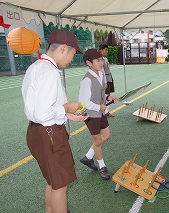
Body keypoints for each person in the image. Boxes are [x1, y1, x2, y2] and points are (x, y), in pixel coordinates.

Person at [21, 29, 88, 213]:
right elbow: (43, 113)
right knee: (60, 186)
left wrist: (65, 115)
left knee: (53, 181)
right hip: (48, 133)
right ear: (64, 48)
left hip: (38, 131)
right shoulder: (49, 72)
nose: (72, 59)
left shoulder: (35, 67)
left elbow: (39, 109)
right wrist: (67, 108)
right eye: (73, 54)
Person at [78, 48, 119, 180]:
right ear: (89, 63)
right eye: (97, 60)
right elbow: (83, 103)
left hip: (100, 112)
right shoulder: (87, 80)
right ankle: (102, 167)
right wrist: (100, 106)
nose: (101, 63)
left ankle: (88, 157)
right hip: (91, 115)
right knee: (98, 142)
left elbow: (100, 95)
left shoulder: (100, 75)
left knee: (106, 136)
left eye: (101, 60)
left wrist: (108, 98)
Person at [99, 44, 115, 117]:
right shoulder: (99, 60)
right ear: (100, 50)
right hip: (105, 81)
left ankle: (106, 111)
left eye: (107, 50)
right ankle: (104, 111)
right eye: (105, 50)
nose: (107, 52)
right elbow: (101, 72)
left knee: (108, 96)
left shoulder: (105, 59)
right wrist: (105, 82)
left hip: (109, 79)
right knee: (105, 96)